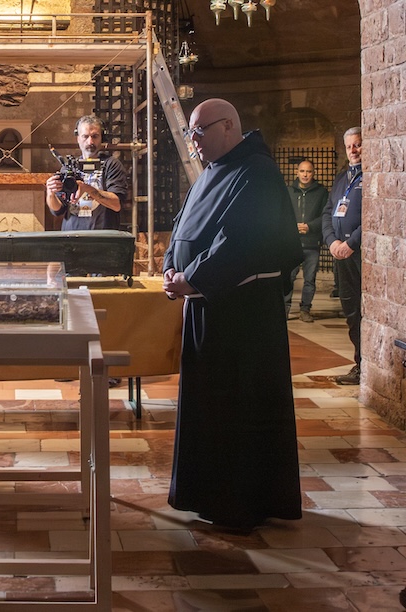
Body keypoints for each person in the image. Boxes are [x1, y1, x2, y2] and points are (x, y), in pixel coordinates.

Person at [162, 98, 303, 531]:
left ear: (228, 127)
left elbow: (240, 240)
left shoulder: (256, 172)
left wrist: (191, 278)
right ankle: (204, 494)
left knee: (236, 408)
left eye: (198, 131)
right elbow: (182, 225)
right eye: (190, 133)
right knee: (208, 407)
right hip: (208, 307)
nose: (193, 141)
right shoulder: (211, 172)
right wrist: (170, 267)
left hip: (242, 316)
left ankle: (238, 503)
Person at [323, 127, 363, 385]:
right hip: (341, 253)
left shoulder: (372, 175)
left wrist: (351, 243)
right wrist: (332, 241)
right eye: (349, 146)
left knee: (365, 309)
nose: (353, 150)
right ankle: (360, 363)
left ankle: (367, 364)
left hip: (359, 254)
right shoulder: (341, 178)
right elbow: (328, 212)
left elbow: (374, 215)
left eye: (358, 145)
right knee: (351, 309)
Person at [44, 115, 128, 231]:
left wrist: (87, 189)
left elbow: (116, 204)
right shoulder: (69, 167)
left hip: (103, 236)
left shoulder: (111, 164)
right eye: (85, 136)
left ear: (102, 138)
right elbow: (57, 210)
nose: (90, 141)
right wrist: (50, 193)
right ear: (78, 138)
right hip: (72, 235)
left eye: (95, 136)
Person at [285, 159, 328, 322]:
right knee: (289, 277)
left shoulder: (321, 192)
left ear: (313, 173)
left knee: (310, 279)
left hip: (312, 243)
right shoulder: (289, 191)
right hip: (292, 243)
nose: (305, 174)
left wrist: (310, 226)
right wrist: (292, 226)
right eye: (302, 171)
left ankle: (305, 310)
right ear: (297, 173)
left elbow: (325, 215)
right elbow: (283, 213)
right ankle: (285, 308)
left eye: (308, 171)